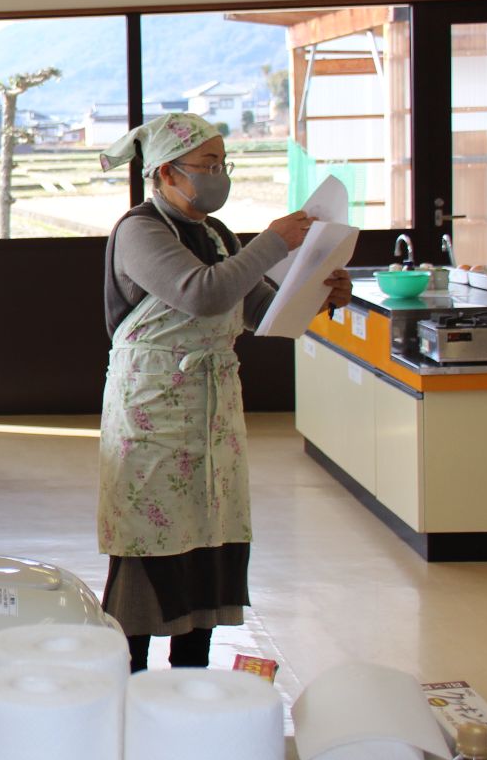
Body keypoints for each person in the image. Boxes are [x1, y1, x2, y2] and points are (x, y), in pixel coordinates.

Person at [96, 112, 351, 672]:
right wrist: (273, 242)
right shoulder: (139, 230)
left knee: (210, 537)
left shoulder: (215, 234)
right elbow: (203, 294)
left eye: (222, 163)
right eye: (207, 165)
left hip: (212, 411)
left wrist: (322, 290)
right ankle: (130, 680)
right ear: (166, 173)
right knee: (151, 544)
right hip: (155, 409)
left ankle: (193, 678)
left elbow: (259, 309)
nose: (219, 175)